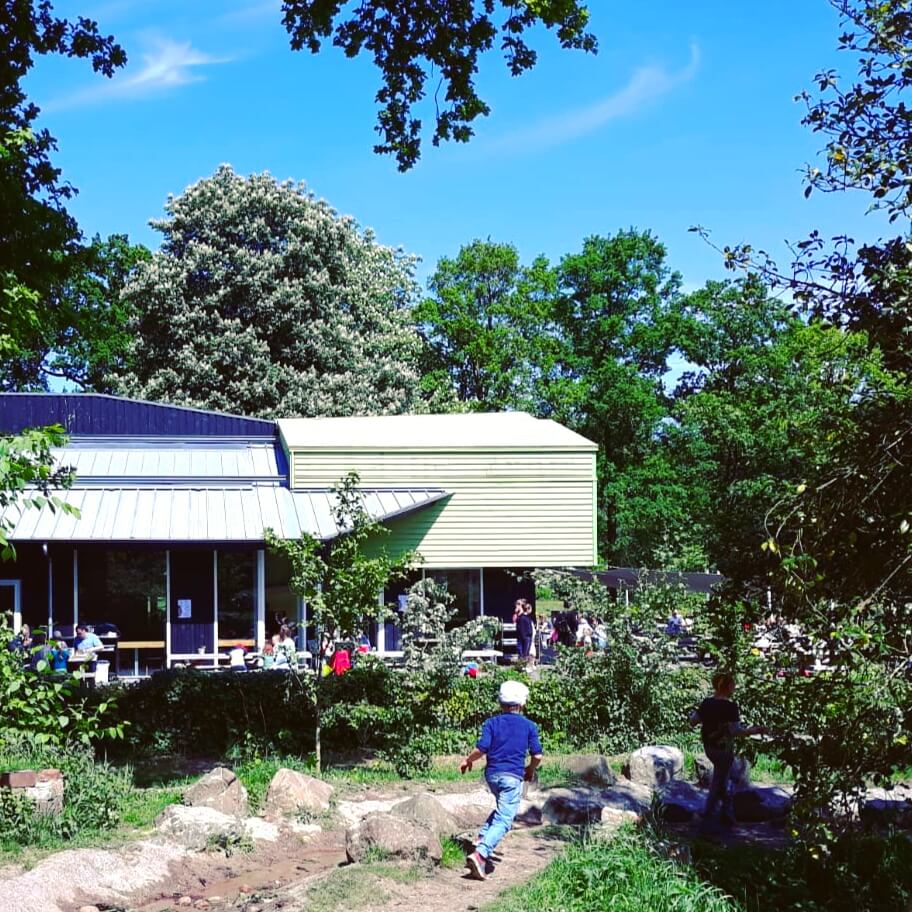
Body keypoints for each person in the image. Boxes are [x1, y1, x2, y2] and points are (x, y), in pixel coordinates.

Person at [460, 680, 543, 881]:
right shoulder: (529, 726)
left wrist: (467, 760)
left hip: (492, 776)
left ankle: (482, 838)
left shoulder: (491, 723)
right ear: (522, 704)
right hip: (513, 777)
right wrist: (530, 770)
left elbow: (481, 749)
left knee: (501, 809)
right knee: (506, 818)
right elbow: (537, 756)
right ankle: (481, 854)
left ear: (500, 703)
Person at [690, 671, 767, 830]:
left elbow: (693, 721)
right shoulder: (730, 707)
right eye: (733, 684)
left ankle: (725, 813)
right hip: (724, 749)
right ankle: (710, 814)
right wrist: (755, 730)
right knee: (719, 780)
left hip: (709, 748)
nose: (735, 687)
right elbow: (736, 731)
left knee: (722, 779)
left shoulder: (707, 703)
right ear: (727, 687)